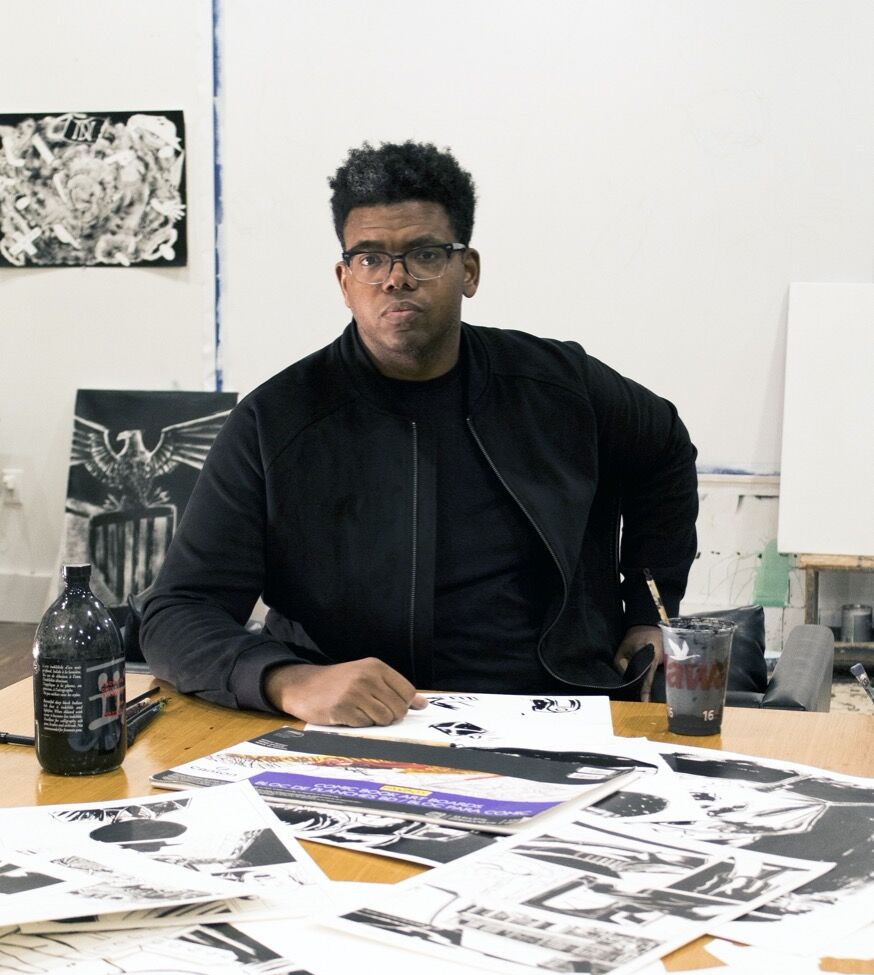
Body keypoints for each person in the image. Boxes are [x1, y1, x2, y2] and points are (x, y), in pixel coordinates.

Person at [140, 141, 698, 726]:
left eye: (425, 254)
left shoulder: (559, 386)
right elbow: (177, 611)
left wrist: (649, 613)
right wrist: (290, 680)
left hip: (554, 703)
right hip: (364, 720)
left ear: (469, 271)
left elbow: (665, 452)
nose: (396, 279)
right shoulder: (276, 421)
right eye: (370, 258)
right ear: (344, 278)